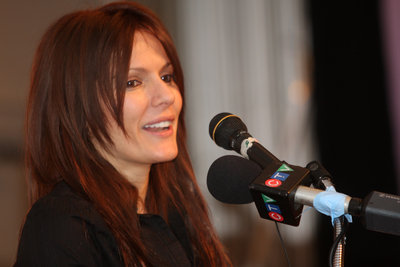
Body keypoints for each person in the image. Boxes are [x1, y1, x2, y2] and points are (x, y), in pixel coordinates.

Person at [14, 2, 231, 266]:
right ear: (78, 107)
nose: (167, 96)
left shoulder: (176, 213)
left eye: (167, 77)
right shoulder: (63, 227)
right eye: (132, 82)